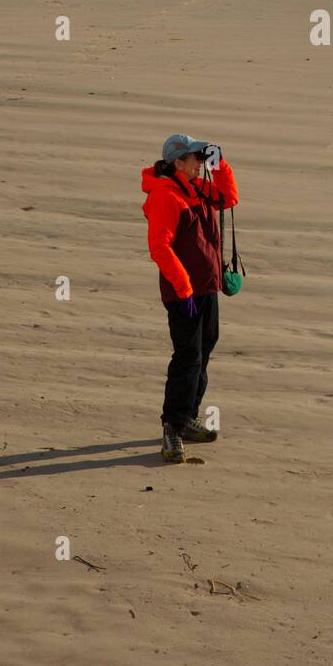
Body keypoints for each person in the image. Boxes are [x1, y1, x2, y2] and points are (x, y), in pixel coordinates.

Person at [141, 134, 239, 463]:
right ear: (177, 163)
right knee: (187, 359)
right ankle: (172, 427)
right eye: (195, 157)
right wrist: (183, 291)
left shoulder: (194, 188)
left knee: (205, 348)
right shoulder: (166, 196)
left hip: (206, 287)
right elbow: (160, 248)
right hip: (184, 293)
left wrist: (220, 165)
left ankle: (188, 417)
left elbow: (228, 198)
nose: (200, 163)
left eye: (201, 157)